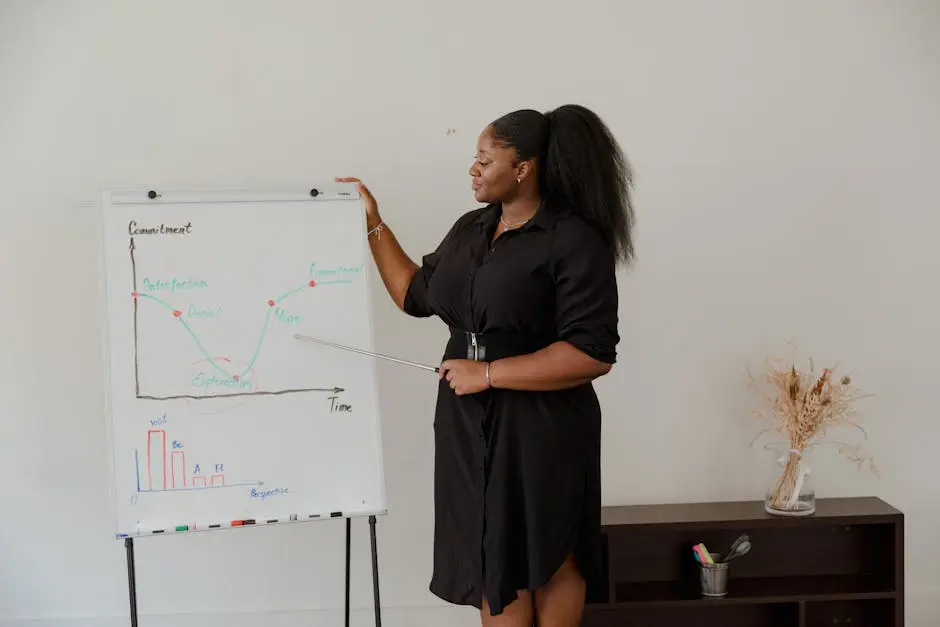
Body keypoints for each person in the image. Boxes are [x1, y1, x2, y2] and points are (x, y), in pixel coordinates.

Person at [336, 103, 635, 627]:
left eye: (484, 159)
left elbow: (591, 353)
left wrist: (489, 374)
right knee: (488, 551)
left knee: (550, 550)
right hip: (468, 423)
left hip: (545, 424)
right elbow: (413, 293)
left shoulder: (573, 239)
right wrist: (373, 223)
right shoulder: (472, 230)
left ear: (523, 168)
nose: (472, 169)